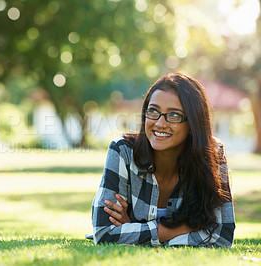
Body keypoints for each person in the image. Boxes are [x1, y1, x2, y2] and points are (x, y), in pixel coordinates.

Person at [91, 71, 235, 247]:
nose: (159, 123)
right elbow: (104, 233)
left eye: (174, 115)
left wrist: (134, 230)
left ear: (193, 123)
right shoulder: (123, 150)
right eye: (153, 111)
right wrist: (174, 231)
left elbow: (222, 236)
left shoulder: (213, 153)